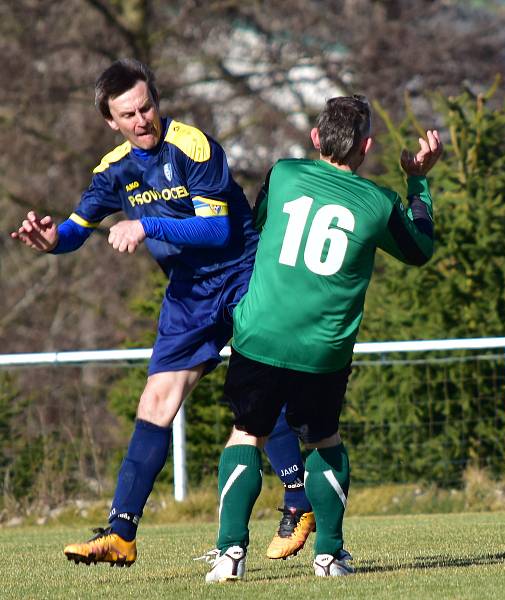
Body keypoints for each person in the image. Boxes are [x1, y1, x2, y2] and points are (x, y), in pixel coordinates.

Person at [10, 59, 314, 566]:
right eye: (127, 114)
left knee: (255, 391)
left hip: (241, 275)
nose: (141, 120)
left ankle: (299, 503)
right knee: (156, 401)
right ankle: (121, 532)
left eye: (146, 106)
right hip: (189, 294)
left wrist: (148, 227)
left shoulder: (194, 147)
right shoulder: (114, 171)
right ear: (111, 122)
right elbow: (74, 230)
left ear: (157, 100)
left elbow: (216, 231)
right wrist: (49, 241)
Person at [201, 95, 441, 582]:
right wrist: (418, 179)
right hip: (323, 349)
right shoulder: (377, 203)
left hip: (261, 333)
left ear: (315, 138)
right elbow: (421, 250)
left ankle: (229, 555)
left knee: (247, 433)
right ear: (367, 147)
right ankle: (329, 556)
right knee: (324, 440)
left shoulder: (283, 174)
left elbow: (260, 221)